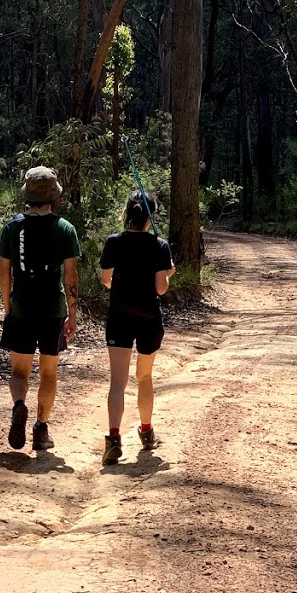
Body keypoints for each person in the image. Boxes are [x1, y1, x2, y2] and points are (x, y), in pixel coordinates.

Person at [0, 165, 80, 452]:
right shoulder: (65, 229)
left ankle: (19, 405)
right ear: (53, 197)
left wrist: (7, 307)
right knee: (49, 373)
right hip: (52, 310)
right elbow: (70, 276)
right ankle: (41, 429)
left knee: (19, 372)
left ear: (28, 195)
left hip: (21, 307)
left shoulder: (11, 227)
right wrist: (73, 313)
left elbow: (4, 273)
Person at [99, 190, 175, 465]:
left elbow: (106, 280)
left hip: (120, 314)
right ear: (150, 216)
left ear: (127, 214)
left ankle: (114, 439)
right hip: (148, 318)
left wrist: (120, 286)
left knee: (117, 381)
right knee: (144, 377)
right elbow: (161, 290)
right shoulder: (160, 246)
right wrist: (167, 273)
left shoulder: (113, 242)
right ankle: (146, 431)